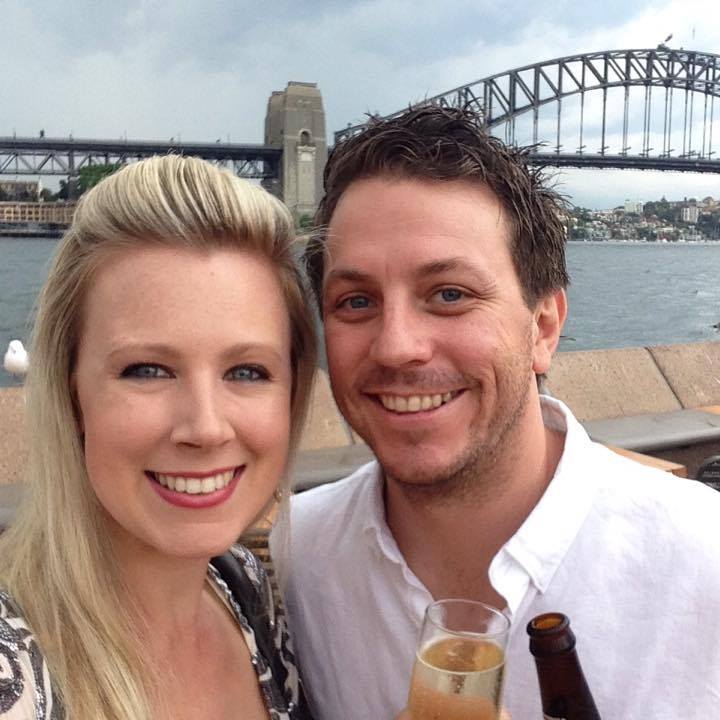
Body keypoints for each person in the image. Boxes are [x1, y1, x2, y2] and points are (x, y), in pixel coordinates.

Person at [278, 106, 720, 719]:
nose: (397, 345)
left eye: (450, 294)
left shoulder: (706, 560)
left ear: (543, 327)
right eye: (356, 301)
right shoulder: (297, 554)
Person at [0, 155, 317, 720]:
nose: (205, 428)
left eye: (247, 371)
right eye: (147, 370)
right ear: (72, 394)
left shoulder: (244, 585)